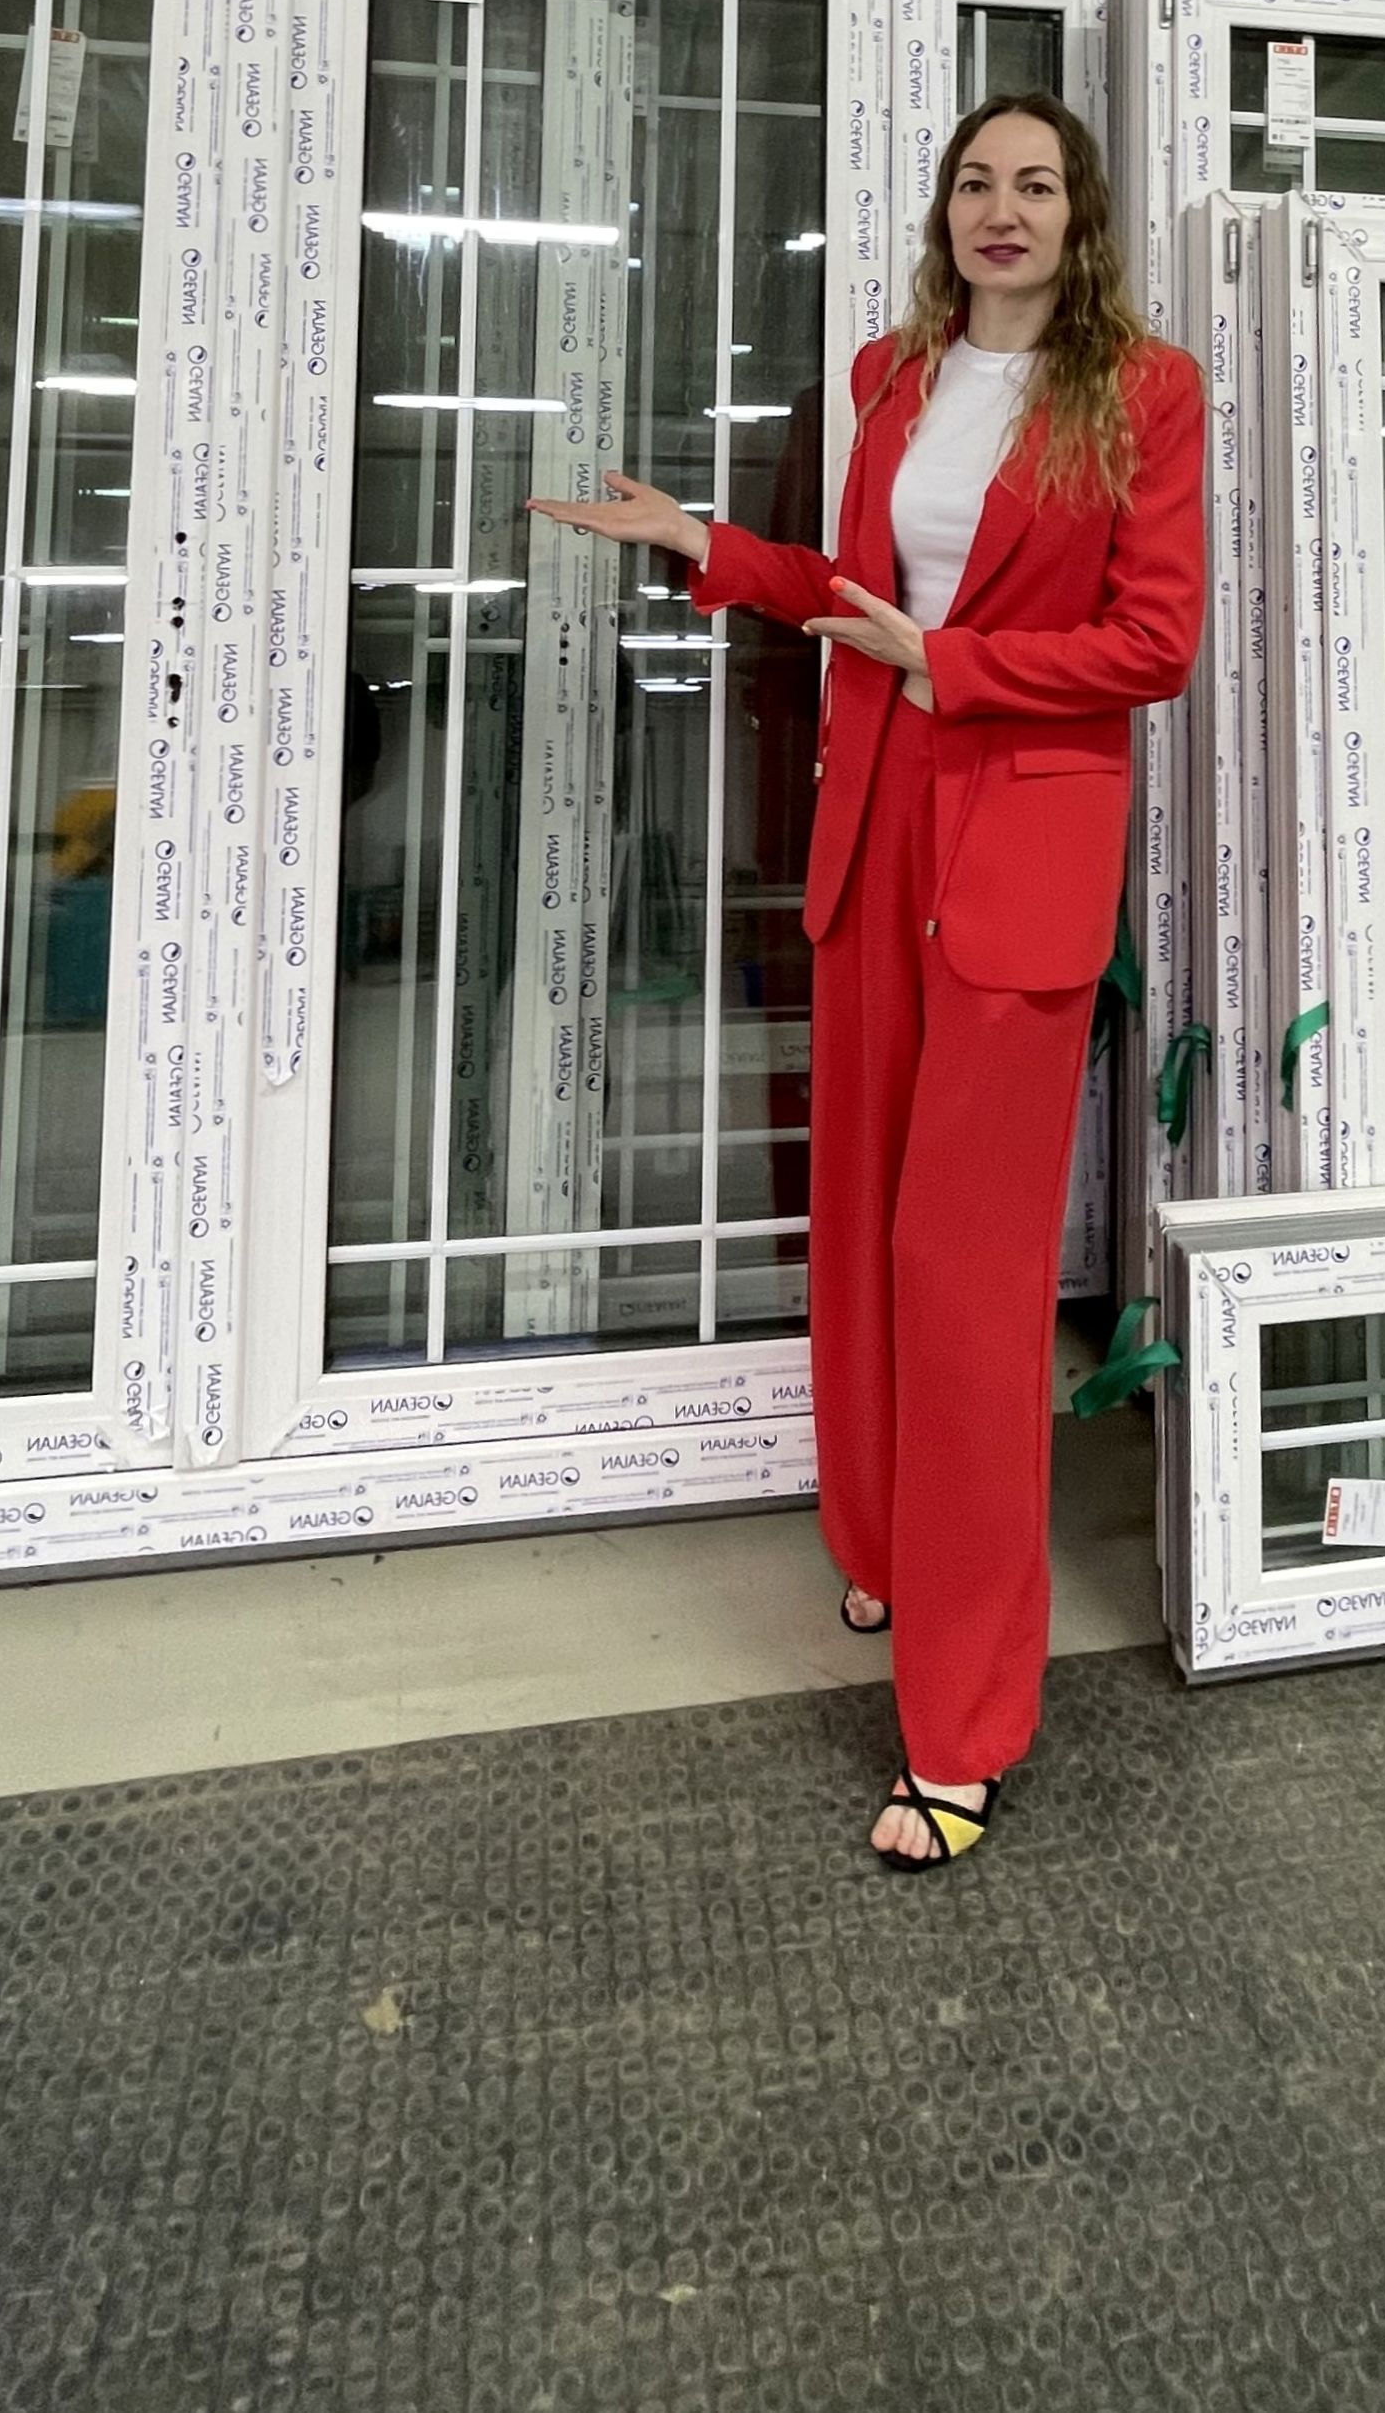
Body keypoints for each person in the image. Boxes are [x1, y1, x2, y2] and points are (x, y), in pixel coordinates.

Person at [532, 92, 1204, 1871]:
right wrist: (707, 548)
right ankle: (887, 1545)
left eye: (1035, 183)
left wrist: (955, 664)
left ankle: (962, 1722)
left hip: (1014, 842)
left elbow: (1154, 641)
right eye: (975, 182)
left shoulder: (1143, 390)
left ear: (1079, 216)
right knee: (856, 1227)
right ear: (942, 212)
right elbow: (854, 590)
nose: (1002, 209)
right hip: (876, 822)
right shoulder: (888, 374)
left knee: (963, 1274)